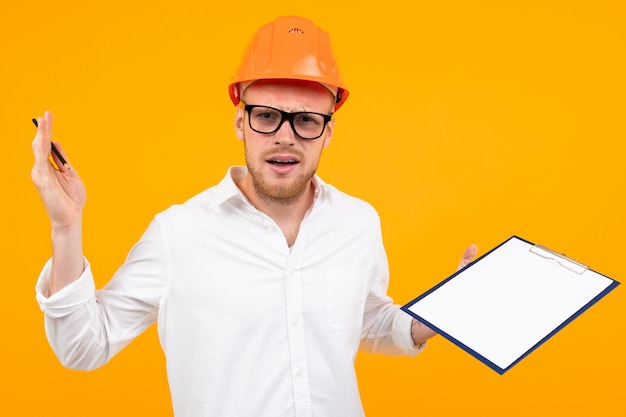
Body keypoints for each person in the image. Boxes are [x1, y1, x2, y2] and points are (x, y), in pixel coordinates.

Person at [32, 15, 477, 417]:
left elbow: (366, 321)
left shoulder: (358, 223)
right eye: (266, 116)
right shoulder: (179, 233)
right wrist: (65, 228)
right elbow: (83, 346)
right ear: (240, 123)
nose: (285, 137)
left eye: (305, 120)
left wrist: (431, 318)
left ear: (329, 131)